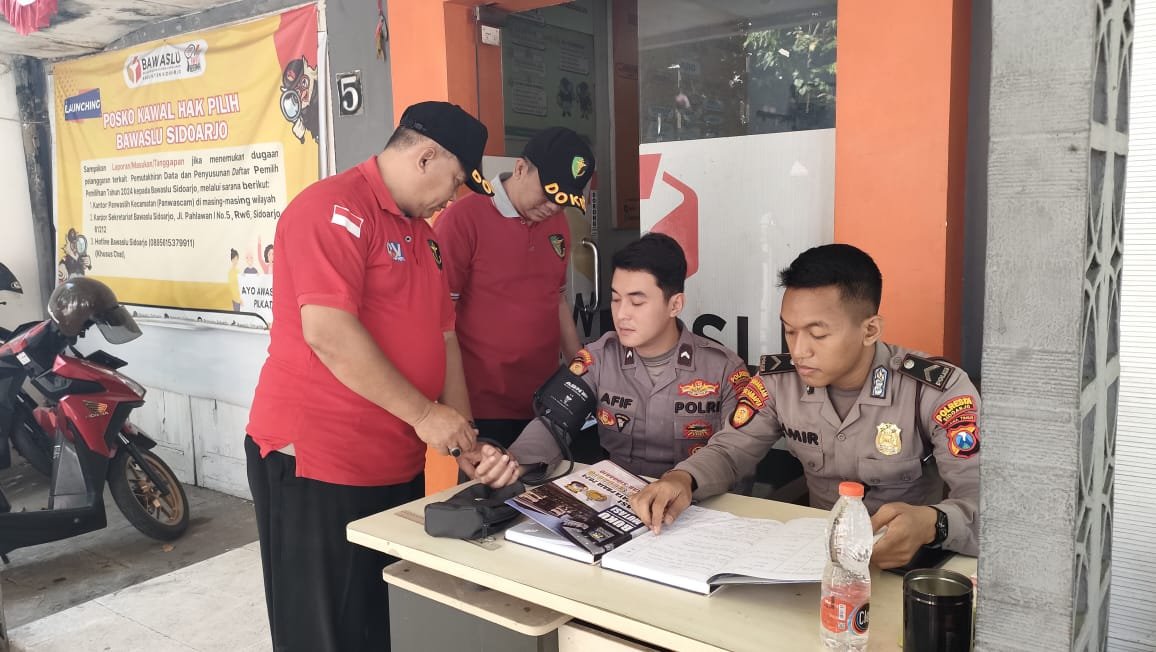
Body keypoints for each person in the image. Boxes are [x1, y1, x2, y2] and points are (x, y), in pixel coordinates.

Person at [245, 101, 490, 652]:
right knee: (324, 632)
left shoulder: (424, 236)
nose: (453, 198)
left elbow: (444, 338)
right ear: (426, 157)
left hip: (393, 462)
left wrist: (463, 436)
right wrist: (426, 415)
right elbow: (328, 333)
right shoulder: (331, 209)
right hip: (320, 464)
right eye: (455, 181)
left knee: (382, 624)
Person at [629, 244, 980, 569]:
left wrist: (934, 524)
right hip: (815, 563)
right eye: (790, 331)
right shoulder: (779, 382)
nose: (799, 351)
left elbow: (986, 500)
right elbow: (730, 451)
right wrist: (683, 478)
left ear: (870, 330)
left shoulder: (933, 390)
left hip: (909, 567)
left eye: (818, 334)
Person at [463, 233, 752, 490]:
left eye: (637, 302)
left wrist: (683, 481)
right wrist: (513, 462)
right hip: (617, 501)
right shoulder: (599, 358)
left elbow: (735, 452)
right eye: (615, 299)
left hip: (697, 504)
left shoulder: (723, 369)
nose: (622, 314)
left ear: (675, 304)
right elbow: (554, 422)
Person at [434, 127, 593, 450]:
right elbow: (440, 322)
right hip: (484, 406)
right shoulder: (462, 220)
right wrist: (460, 416)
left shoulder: (557, 223)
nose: (553, 207)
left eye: (563, 201)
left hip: (546, 400)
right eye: (548, 194)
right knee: (492, 483)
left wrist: (582, 374)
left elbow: (557, 299)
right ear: (520, 168)